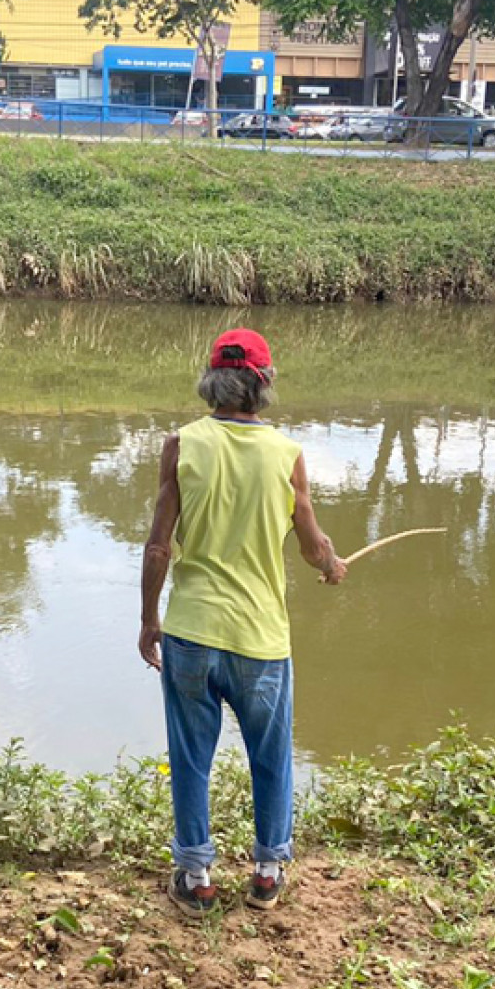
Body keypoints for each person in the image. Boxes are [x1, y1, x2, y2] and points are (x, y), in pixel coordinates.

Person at [138, 329, 346, 918]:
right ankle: (266, 873)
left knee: (190, 756)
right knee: (271, 754)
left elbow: (159, 548)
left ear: (212, 381)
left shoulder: (181, 445)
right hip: (260, 639)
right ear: (263, 383)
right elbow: (311, 545)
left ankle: (197, 876)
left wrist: (148, 618)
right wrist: (331, 565)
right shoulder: (287, 455)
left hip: (192, 632)